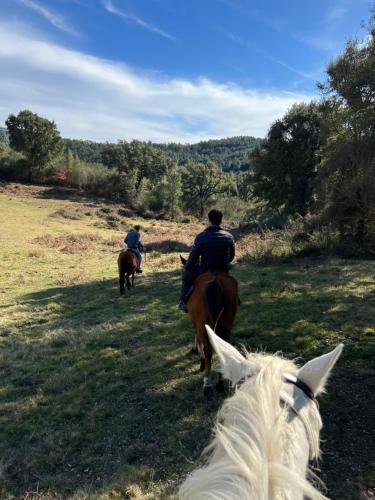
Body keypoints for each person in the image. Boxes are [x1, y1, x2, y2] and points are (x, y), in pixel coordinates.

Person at [179, 209, 235, 312]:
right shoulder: (229, 237)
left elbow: (193, 259)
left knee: (186, 276)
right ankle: (235, 300)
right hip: (223, 271)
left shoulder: (201, 237)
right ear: (221, 220)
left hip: (206, 271)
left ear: (209, 220)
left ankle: (183, 303)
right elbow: (231, 257)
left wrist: (186, 267)